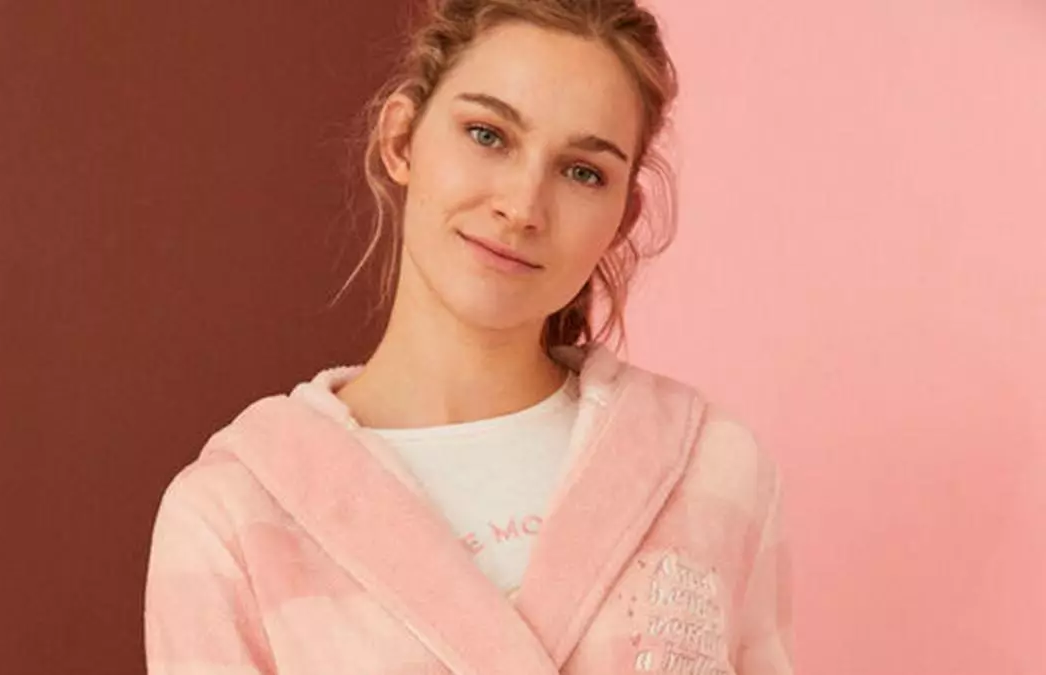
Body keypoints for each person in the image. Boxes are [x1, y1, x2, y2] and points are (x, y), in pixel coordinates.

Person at [143, 1, 793, 673]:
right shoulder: (233, 514)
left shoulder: (714, 469)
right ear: (401, 141)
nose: (522, 206)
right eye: (488, 135)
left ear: (623, 218)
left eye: (582, 171)